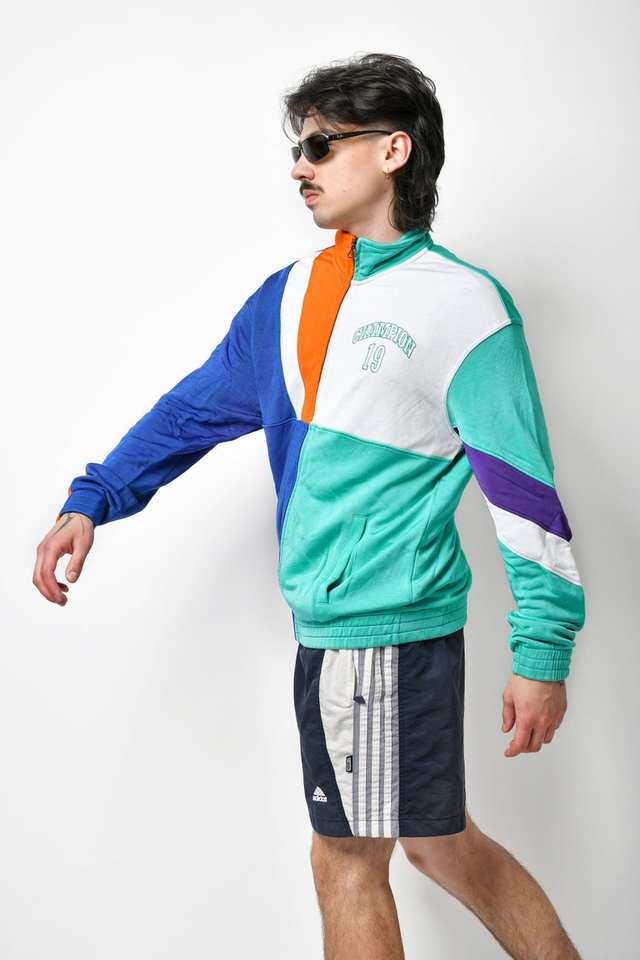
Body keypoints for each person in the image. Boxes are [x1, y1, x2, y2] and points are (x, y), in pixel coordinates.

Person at [33, 52, 585, 960]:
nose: (300, 166)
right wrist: (93, 498)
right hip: (351, 630)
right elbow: (191, 411)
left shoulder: (463, 307)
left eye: (323, 145)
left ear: (395, 151)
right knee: (441, 844)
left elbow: (525, 495)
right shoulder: (288, 297)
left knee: (346, 861)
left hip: (375, 627)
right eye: (299, 147)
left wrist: (542, 651)